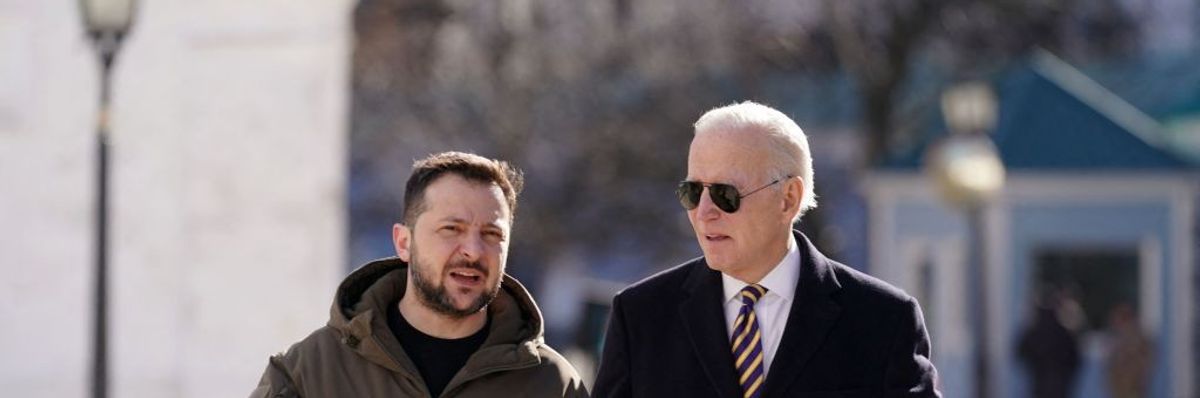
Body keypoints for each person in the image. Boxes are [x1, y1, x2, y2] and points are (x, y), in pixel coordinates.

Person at [593, 102, 940, 397]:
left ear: (788, 198)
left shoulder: (883, 320)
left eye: (725, 194)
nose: (704, 212)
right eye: (693, 192)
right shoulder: (641, 317)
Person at [251, 151, 587, 398]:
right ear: (403, 242)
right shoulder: (309, 373)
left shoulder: (553, 385)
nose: (472, 250)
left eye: (491, 234)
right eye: (451, 229)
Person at [1016, 287, 1082, 398]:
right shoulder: (1063, 332)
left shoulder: (1033, 332)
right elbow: (1075, 359)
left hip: (1039, 385)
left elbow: (1021, 352)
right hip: (1060, 386)